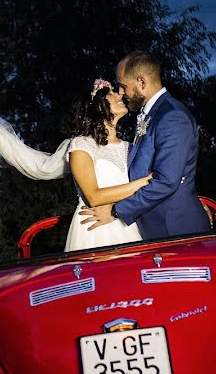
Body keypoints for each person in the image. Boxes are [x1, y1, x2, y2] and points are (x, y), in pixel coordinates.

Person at [80, 52, 210, 239]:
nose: (121, 93)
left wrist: (115, 211)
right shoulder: (151, 115)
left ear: (141, 82)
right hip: (154, 229)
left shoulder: (172, 117)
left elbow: (166, 181)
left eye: (123, 86)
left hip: (175, 229)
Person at [64, 78, 151, 251]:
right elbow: (93, 197)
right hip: (95, 230)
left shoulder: (130, 147)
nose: (119, 94)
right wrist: (143, 183)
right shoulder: (81, 145)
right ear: (98, 105)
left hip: (128, 223)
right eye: (111, 93)